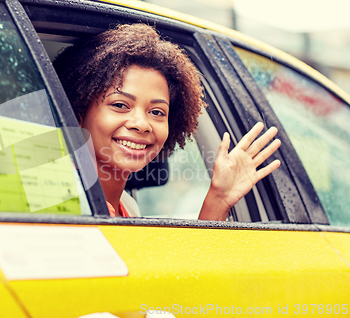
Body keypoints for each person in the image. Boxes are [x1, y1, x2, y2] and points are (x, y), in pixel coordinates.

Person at [53, 24, 281, 220]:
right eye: (120, 105)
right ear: (78, 111)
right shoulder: (57, 197)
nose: (142, 124)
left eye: (157, 112)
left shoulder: (128, 208)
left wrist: (219, 200)